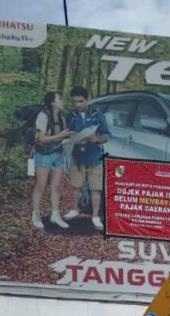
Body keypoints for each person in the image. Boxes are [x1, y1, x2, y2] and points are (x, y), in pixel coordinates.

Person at [64, 85, 111, 231]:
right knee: (76, 185)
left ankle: (95, 216)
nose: (77, 104)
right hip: (77, 154)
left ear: (87, 100)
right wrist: (73, 138)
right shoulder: (71, 116)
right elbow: (66, 134)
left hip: (94, 156)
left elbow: (107, 134)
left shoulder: (98, 115)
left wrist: (96, 139)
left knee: (95, 188)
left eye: (80, 101)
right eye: (75, 102)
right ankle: (74, 209)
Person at [31, 92, 73, 230]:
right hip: (43, 155)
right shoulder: (43, 116)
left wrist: (66, 140)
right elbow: (41, 138)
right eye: (59, 99)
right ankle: (35, 214)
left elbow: (62, 138)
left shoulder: (61, 118)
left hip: (57, 155)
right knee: (41, 185)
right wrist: (59, 136)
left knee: (56, 186)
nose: (62, 101)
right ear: (53, 103)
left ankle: (55, 214)